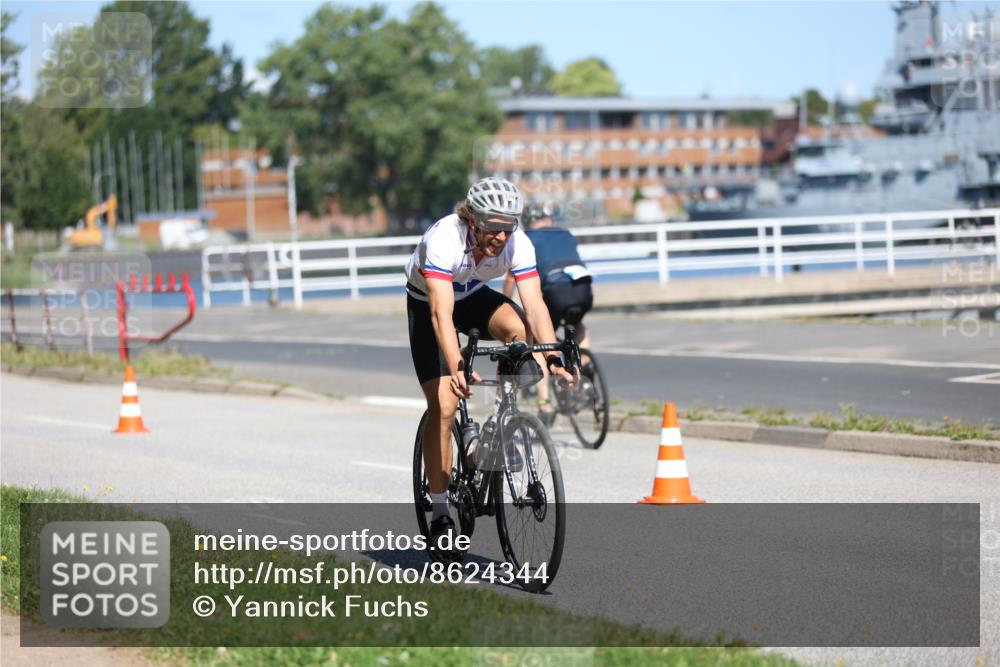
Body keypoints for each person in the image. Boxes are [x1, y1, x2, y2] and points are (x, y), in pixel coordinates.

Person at [404, 178, 576, 553]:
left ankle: (500, 419)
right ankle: (439, 513)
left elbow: (535, 307)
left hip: (472, 295)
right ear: (473, 219)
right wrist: (456, 365)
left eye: (508, 226)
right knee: (445, 405)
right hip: (430, 302)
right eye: (493, 227)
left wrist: (552, 357)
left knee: (519, 333)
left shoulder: (517, 242)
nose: (501, 236)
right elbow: (440, 314)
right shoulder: (444, 239)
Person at [503, 202, 593, 425]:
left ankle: (545, 403)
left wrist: (505, 300)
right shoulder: (566, 233)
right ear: (550, 219)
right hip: (582, 288)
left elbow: (511, 279)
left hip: (555, 291)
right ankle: (587, 374)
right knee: (578, 326)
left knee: (542, 342)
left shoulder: (527, 238)